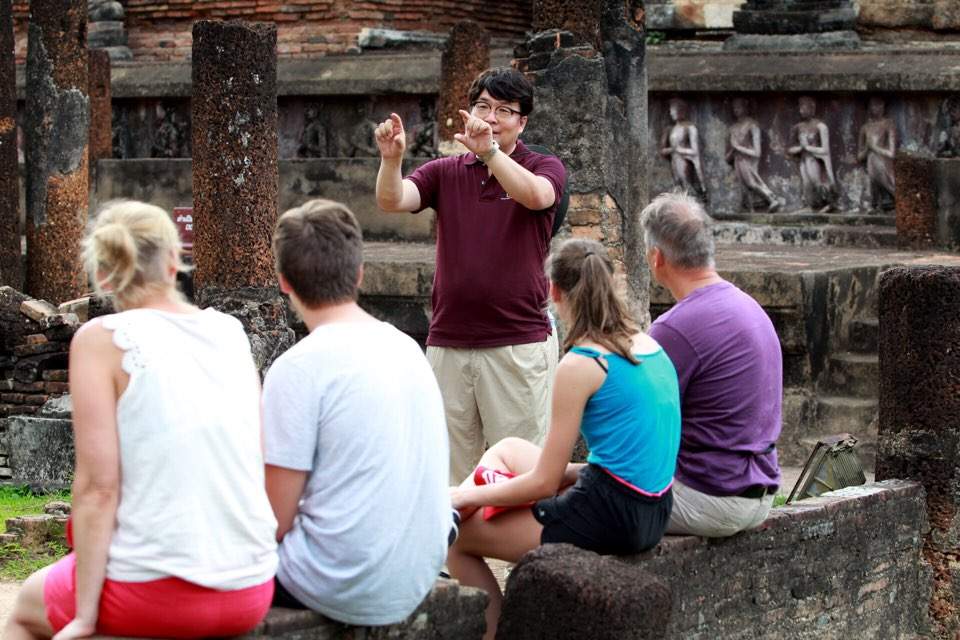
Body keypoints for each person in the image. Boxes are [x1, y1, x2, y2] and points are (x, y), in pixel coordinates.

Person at [5, 201, 278, 640]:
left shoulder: (101, 340)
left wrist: (85, 615)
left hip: (154, 591)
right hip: (250, 585)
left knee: (23, 611)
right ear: (173, 262)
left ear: (104, 275)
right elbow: (258, 454)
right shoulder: (230, 332)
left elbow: (98, 489)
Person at [447, 238, 681, 640]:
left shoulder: (583, 363)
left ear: (553, 290)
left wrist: (464, 496)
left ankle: (493, 628)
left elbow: (544, 482)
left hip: (613, 515)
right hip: (655, 509)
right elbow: (626, 455)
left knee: (454, 543)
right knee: (507, 449)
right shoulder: (650, 345)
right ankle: (467, 509)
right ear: (611, 281)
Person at [261, 199, 452, 626]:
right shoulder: (406, 347)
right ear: (360, 274)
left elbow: (274, 520)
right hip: (417, 570)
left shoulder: (297, 368)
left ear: (284, 282)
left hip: (338, 580)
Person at [374, 67, 567, 483]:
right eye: (483, 106)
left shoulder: (542, 165)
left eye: (504, 110)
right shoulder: (445, 171)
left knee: (520, 472)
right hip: (449, 341)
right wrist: (391, 161)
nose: (491, 118)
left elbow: (538, 196)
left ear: (522, 122)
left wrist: (491, 154)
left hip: (517, 342)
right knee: (448, 472)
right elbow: (394, 200)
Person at [642, 192, 782, 538]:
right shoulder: (749, 307)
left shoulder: (674, 328)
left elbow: (642, 426)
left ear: (657, 257)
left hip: (709, 496)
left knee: (576, 506)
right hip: (759, 491)